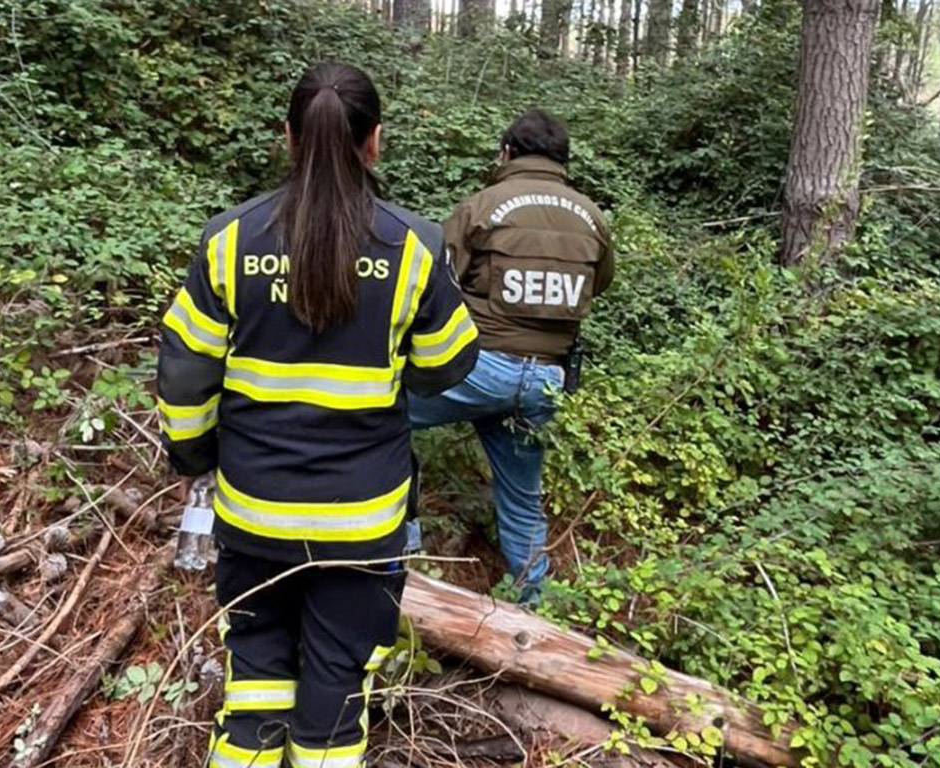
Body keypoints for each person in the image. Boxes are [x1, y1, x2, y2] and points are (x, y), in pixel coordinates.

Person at [156, 63, 479, 768]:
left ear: (288, 138)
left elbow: (184, 378)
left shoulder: (229, 241)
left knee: (254, 687)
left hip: (253, 512)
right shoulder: (414, 247)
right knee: (335, 695)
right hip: (362, 522)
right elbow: (451, 363)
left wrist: (196, 459)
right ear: (377, 143)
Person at [410, 109, 613, 604]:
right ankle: (531, 607)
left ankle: (401, 552)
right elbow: (601, 282)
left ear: (507, 154)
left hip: (479, 367)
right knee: (522, 497)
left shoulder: (484, 205)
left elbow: (432, 278)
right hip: (548, 379)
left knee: (383, 411)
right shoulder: (592, 216)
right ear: (564, 161)